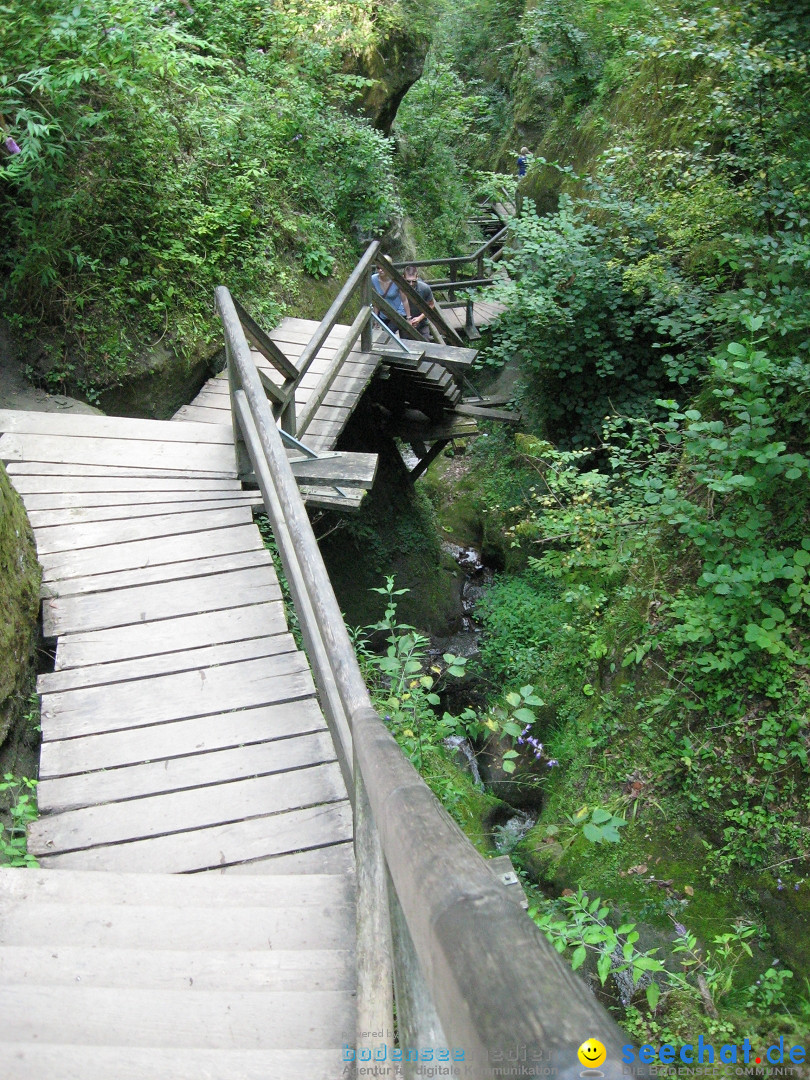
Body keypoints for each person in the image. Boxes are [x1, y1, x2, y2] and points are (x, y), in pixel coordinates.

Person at [371, 258, 410, 331]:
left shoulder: (396, 279)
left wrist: (408, 318)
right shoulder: (373, 279)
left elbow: (404, 300)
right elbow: (376, 300)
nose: (380, 270)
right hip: (384, 314)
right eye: (378, 268)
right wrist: (376, 318)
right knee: (385, 336)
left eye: (382, 268)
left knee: (388, 332)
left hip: (398, 313)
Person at [403, 265, 436, 339]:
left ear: (417, 277)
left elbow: (431, 305)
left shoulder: (425, 288)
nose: (411, 284)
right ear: (403, 277)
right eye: (408, 281)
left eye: (413, 281)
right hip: (404, 322)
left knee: (426, 343)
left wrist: (420, 318)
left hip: (422, 322)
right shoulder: (399, 288)